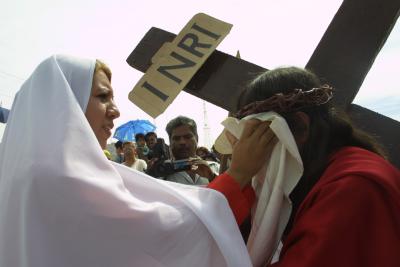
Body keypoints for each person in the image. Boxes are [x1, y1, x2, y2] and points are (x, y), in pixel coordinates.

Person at [0, 54, 274, 267]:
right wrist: (237, 174)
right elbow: (163, 238)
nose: (115, 111)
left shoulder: (27, 176)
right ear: (64, 103)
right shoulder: (59, 177)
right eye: (102, 96)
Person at [227, 66, 400, 267]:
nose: (254, 156)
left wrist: (236, 176)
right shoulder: (337, 170)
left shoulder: (352, 185)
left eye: (257, 137)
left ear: (300, 127)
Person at [158, 116, 215, 185]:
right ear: (170, 142)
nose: (182, 142)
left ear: (196, 138)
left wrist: (213, 177)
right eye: (176, 138)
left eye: (187, 137)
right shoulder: (160, 175)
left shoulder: (214, 167)